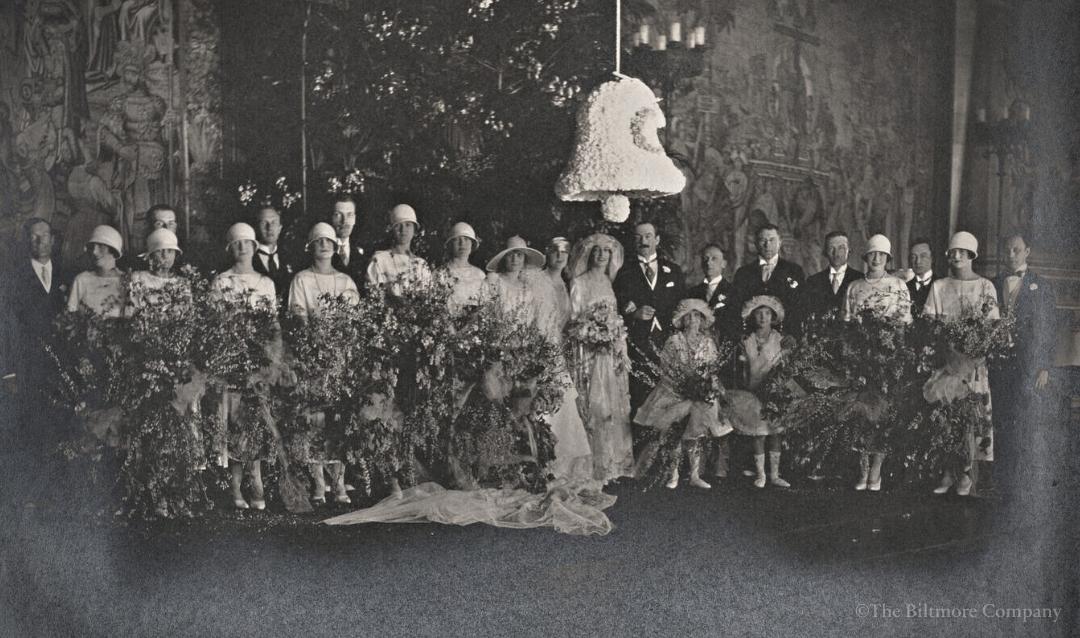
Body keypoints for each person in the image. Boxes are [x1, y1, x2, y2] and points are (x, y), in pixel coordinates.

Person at [288, 222, 360, 505]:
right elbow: (298, 318)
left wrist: (338, 344)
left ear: (335, 247)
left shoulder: (346, 282)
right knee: (314, 419)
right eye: (318, 241)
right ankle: (318, 481)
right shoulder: (301, 280)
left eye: (328, 241)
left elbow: (353, 322)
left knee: (339, 418)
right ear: (310, 246)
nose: (324, 245)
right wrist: (314, 343)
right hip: (312, 358)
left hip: (340, 358)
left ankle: (339, 481)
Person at [923, 231, 999, 496]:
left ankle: (966, 474)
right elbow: (931, 325)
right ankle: (947, 472)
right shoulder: (939, 286)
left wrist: (972, 355)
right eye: (952, 252)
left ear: (971, 256)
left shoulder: (985, 287)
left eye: (962, 253)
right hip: (947, 364)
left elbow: (990, 329)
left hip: (973, 367)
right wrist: (949, 351)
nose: (956, 257)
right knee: (946, 417)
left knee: (971, 417)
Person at [634, 298, 733, 489]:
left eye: (697, 316)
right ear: (682, 320)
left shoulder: (708, 342)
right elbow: (666, 368)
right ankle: (674, 474)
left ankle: (695, 475)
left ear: (703, 320)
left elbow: (711, 368)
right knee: (675, 432)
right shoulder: (674, 341)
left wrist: (704, 386)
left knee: (695, 433)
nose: (693, 320)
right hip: (676, 391)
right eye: (688, 317)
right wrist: (681, 385)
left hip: (700, 393)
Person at [212, 223, 277, 510]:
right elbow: (214, 325)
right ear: (229, 248)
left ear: (254, 247)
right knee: (234, 420)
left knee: (256, 420)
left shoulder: (266, 283)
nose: (242, 248)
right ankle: (236, 487)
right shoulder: (220, 282)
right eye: (236, 243)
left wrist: (270, 357)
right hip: (231, 360)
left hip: (257, 361)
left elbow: (272, 325)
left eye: (247, 243)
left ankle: (256, 479)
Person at [841, 234, 912, 492]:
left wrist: (896, 358)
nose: (876, 259)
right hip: (861, 359)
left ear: (888, 258)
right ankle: (862, 469)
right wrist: (852, 358)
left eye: (881, 255)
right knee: (861, 413)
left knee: (883, 415)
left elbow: (903, 325)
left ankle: (876, 470)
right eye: (872, 254)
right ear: (865, 257)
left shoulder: (898, 286)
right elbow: (847, 326)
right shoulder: (854, 287)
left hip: (888, 359)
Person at [990, 232, 1057, 489]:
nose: (1010, 255)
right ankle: (1002, 479)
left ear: (1027, 251)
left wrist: (1044, 367)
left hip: (1028, 366)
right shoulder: (992, 284)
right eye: (1006, 250)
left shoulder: (1041, 287)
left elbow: (1047, 331)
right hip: (999, 365)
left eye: (1016, 250)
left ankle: (1025, 482)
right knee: (1000, 420)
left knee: (1025, 421)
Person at [568, 233, 634, 483]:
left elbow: (614, 316)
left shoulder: (609, 281)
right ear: (589, 255)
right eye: (596, 252)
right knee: (593, 403)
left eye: (605, 252)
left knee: (612, 404)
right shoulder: (579, 282)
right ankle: (593, 464)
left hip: (609, 353)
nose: (600, 256)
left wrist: (615, 339)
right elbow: (575, 321)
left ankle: (612, 462)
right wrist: (593, 333)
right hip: (589, 352)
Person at [3, 218, 69, 452]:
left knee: (63, 427)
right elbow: (6, 326)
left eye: (45, 235)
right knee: (32, 431)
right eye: (34, 236)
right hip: (27, 365)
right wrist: (8, 370)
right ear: (27, 240)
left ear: (53, 239)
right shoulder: (13, 279)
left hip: (62, 365)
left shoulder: (66, 273)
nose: (40, 241)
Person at [613, 221, 685, 412]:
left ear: (657, 240)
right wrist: (634, 315)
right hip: (638, 344)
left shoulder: (674, 271)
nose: (643, 241)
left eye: (648, 236)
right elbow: (615, 309)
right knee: (641, 398)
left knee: (671, 397)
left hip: (668, 343)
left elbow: (682, 306)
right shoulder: (623, 272)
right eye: (638, 237)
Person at [730, 296, 792, 489]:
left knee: (775, 432)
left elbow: (786, 368)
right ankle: (761, 474)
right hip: (752, 392)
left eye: (767, 314)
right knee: (759, 433)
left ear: (773, 317)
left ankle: (774, 474)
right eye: (758, 314)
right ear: (752, 317)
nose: (763, 318)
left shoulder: (781, 340)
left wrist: (777, 386)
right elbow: (741, 370)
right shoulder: (746, 341)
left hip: (774, 392)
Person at [732, 223, 805, 328]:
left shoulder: (794, 271)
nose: (767, 245)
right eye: (763, 240)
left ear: (779, 242)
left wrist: (792, 335)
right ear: (756, 243)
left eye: (772, 240)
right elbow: (735, 307)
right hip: (751, 335)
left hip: (784, 337)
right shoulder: (743, 273)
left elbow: (800, 307)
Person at [366, 204, 432, 297]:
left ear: (414, 230)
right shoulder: (380, 260)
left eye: (408, 225)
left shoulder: (421, 264)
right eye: (398, 226)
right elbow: (374, 295)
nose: (403, 229)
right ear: (392, 230)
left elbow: (427, 299)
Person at [803, 231, 862, 322]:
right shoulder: (813, 281)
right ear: (825, 252)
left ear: (849, 250)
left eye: (841, 248)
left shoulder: (860, 279)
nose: (836, 253)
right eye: (831, 248)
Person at [67, 225, 125, 318]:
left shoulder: (126, 281)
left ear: (113, 250)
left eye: (101, 246)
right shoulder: (82, 280)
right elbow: (70, 315)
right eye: (92, 247)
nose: (94, 252)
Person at [686, 243, 736, 341]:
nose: (709, 263)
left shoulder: (733, 291)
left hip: (724, 346)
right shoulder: (692, 293)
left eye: (714, 259)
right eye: (706, 258)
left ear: (724, 263)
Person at [440, 222, 486, 314]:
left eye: (466, 239)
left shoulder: (480, 275)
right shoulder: (440, 274)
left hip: (474, 327)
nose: (462, 244)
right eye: (457, 240)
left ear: (472, 244)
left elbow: (484, 309)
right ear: (450, 245)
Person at [252, 205, 295, 305]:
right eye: (264, 223)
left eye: (274, 223)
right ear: (256, 228)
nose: (269, 227)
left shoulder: (290, 257)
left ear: (280, 228)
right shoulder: (248, 259)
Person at [329, 194, 366, 286]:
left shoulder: (363, 253)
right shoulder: (322, 251)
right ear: (331, 217)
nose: (344, 221)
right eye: (338, 215)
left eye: (349, 215)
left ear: (355, 219)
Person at [905, 237, 936, 315]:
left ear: (932, 258)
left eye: (923, 256)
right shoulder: (905, 287)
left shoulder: (942, 285)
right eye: (913, 257)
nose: (918, 261)